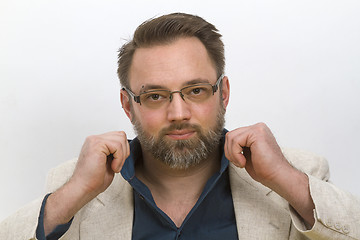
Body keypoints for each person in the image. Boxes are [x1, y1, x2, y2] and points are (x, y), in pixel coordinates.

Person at [1, 12, 359, 240]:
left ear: (224, 93)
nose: (178, 113)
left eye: (196, 90)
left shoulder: (297, 176)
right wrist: (72, 194)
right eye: (155, 96)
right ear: (128, 105)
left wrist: (285, 178)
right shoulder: (71, 188)